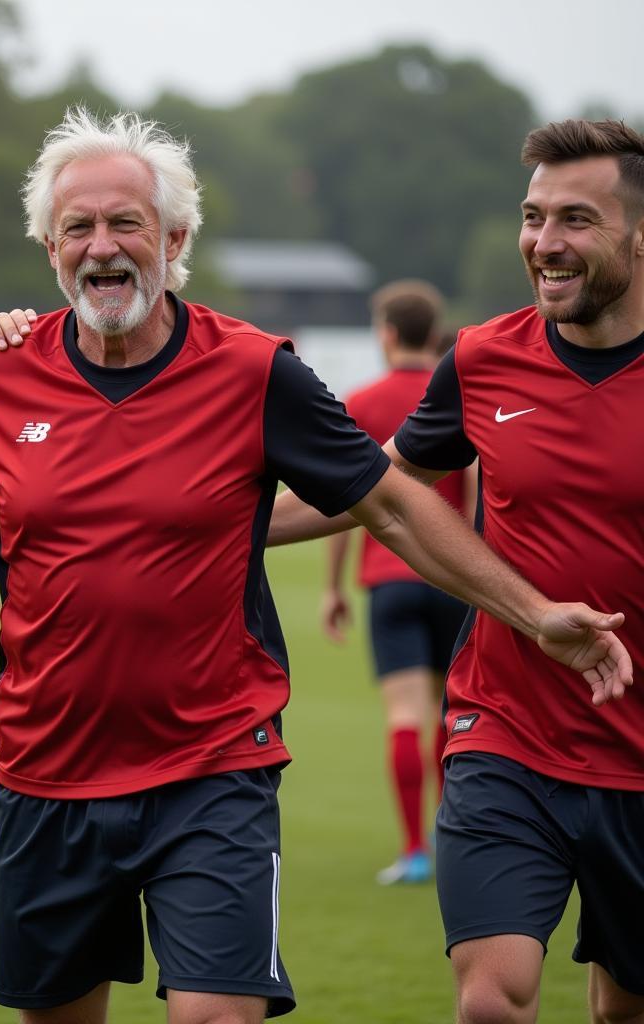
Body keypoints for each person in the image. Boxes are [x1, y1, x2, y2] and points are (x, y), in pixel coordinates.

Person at [0, 108, 632, 1024]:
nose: (101, 246)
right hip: (48, 773)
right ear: (49, 250)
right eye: (76, 227)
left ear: (174, 240)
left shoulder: (259, 372)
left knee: (220, 1010)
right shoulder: (1, 375)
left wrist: (533, 612)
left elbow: (390, 504)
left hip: (213, 768)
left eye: (127, 223)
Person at [269, 119, 644, 1024]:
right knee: (491, 1002)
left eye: (576, 220)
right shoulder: (482, 359)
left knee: (622, 1008)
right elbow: (377, 486)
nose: (544, 244)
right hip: (504, 734)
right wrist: (213, 525)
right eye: (532, 216)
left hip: (637, 760)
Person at [320, 280, 468, 887]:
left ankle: (413, 850)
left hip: (389, 578)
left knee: (404, 714)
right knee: (449, 714)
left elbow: (337, 499)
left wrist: (333, 586)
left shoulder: (361, 400)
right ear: (434, 334)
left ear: (386, 333)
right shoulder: (456, 392)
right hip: (456, 578)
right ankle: (450, 833)